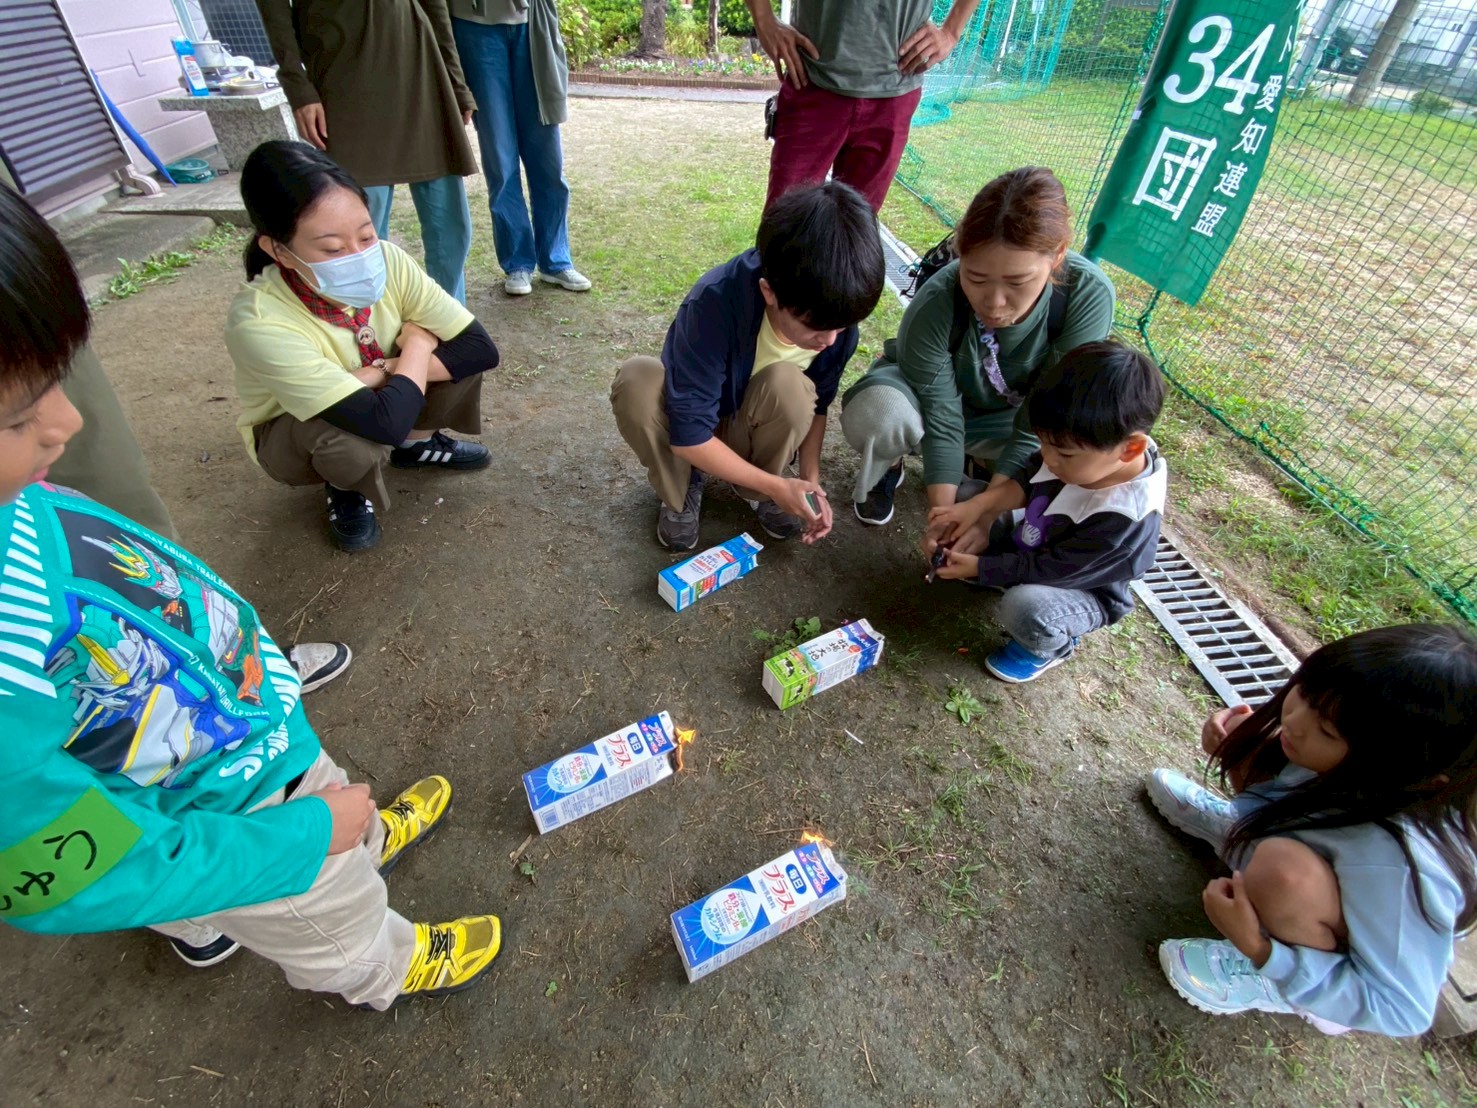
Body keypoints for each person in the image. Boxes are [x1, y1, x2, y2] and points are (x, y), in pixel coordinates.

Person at [0, 183, 502, 1009]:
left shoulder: (24, 493)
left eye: (54, 382)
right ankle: (384, 965)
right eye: (21, 416)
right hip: (234, 818)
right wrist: (303, 838)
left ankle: (360, 838)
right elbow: (83, 873)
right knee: (330, 919)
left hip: (256, 742)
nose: (68, 422)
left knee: (334, 813)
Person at [1146, 624, 1477, 1037]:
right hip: (1318, 835)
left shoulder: (1404, 865)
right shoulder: (1362, 758)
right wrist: (1233, 745)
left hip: (1335, 963)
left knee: (1284, 869)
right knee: (1264, 745)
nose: (1296, 722)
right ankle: (1240, 834)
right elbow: (1296, 741)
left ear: (1414, 774)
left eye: (1328, 731)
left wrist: (1262, 950)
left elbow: (1402, 1010)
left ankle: (1278, 982)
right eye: (1304, 693)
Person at [226, 141, 499, 554]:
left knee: (457, 355)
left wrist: (379, 370)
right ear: (278, 250)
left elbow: (480, 348)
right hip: (296, 433)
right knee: (349, 439)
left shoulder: (389, 260)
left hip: (373, 396)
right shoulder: (260, 322)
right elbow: (381, 422)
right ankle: (345, 485)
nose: (359, 257)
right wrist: (419, 345)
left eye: (367, 235)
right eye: (333, 249)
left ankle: (414, 445)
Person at [610, 181, 884, 551]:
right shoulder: (715, 303)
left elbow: (818, 408)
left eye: (840, 327)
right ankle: (683, 488)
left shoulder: (834, 315)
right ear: (770, 292)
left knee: (792, 389)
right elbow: (690, 432)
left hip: (749, 424)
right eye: (815, 327)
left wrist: (810, 482)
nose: (831, 340)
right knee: (637, 382)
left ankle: (759, 488)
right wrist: (780, 487)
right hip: (691, 425)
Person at [841, 166, 1115, 528]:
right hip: (928, 406)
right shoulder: (938, 300)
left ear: (1058, 255)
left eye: (1017, 281)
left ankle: (984, 476)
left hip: (1013, 419)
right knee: (880, 412)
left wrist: (985, 515)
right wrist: (944, 518)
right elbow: (942, 416)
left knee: (1082, 454)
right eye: (976, 278)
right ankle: (892, 465)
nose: (994, 303)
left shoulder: (1086, 296)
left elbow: (1043, 418)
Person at [926, 341, 1167, 683]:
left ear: (1131, 448)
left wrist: (983, 567)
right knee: (967, 497)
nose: (1049, 460)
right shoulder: (1085, 445)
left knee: (1026, 606)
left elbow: (1049, 569)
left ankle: (1048, 646)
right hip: (1036, 540)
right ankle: (997, 567)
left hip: (1077, 586)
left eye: (1063, 455)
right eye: (1043, 444)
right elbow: (1027, 478)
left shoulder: (1123, 519)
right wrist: (976, 508)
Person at [256, 0, 479, 303]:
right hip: (343, 71)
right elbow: (275, 10)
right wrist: (298, 88)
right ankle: (371, 321)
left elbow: (436, 6)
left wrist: (456, 82)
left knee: (450, 224)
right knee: (357, 227)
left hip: (419, 66)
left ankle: (447, 316)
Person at [749, 0, 983, 212]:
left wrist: (951, 32)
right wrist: (763, 19)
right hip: (812, 80)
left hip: (894, 92)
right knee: (783, 228)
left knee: (855, 234)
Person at [450, 0, 592, 297]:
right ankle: (518, 262)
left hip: (531, 24)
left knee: (548, 162)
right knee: (500, 161)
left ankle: (555, 261)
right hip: (474, 26)